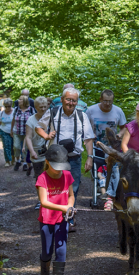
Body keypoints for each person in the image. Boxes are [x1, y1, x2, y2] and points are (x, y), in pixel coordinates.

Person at [36, 87, 95, 232]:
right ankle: (50, 218)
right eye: (68, 99)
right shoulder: (53, 113)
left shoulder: (82, 116)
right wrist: (46, 136)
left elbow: (88, 139)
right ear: (62, 99)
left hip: (74, 158)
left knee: (72, 189)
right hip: (55, 158)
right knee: (52, 188)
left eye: (74, 100)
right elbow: (38, 127)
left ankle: (68, 219)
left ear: (77, 102)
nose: (70, 103)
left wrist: (90, 157)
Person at [36, 144, 75, 275]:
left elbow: (71, 195)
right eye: (55, 166)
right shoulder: (42, 178)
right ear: (47, 162)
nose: (58, 170)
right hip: (47, 220)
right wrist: (63, 208)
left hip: (62, 219)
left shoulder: (67, 176)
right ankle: (44, 272)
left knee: (61, 250)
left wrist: (70, 207)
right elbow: (44, 202)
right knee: (47, 251)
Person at [85, 89, 127, 204]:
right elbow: (85, 125)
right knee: (98, 168)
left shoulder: (118, 111)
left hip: (112, 147)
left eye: (110, 101)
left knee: (114, 168)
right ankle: (100, 188)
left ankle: (111, 192)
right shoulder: (91, 110)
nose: (107, 104)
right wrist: (90, 134)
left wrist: (119, 135)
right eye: (105, 101)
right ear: (100, 99)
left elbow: (124, 127)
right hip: (96, 145)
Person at [26, 97, 50, 209]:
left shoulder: (52, 118)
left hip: (50, 151)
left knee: (52, 175)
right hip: (37, 151)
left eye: (45, 107)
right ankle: (41, 200)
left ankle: (51, 199)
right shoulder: (31, 120)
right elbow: (28, 137)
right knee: (40, 177)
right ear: (36, 107)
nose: (43, 109)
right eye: (41, 107)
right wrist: (31, 151)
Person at [12, 95, 34, 173]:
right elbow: (13, 120)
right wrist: (11, 130)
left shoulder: (31, 109)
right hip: (17, 131)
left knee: (25, 149)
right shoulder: (16, 109)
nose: (18, 100)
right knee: (16, 147)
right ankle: (18, 161)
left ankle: (25, 163)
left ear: (24, 101)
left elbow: (34, 120)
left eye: (20, 99)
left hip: (27, 132)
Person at [0, 99, 15, 167]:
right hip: (4, 131)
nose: (7, 108)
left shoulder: (14, 111)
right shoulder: (2, 113)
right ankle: (7, 160)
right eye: (6, 106)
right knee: (6, 146)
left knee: (14, 146)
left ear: (11, 105)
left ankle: (13, 158)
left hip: (14, 131)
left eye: (9, 106)